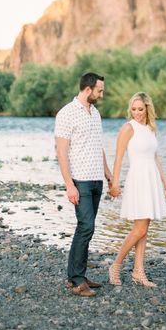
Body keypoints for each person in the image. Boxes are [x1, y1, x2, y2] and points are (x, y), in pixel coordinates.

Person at [54, 72, 113, 297]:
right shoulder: (66, 114)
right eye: (100, 90)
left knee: (87, 228)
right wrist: (69, 185)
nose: (102, 94)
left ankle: (77, 275)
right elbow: (61, 152)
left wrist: (108, 175)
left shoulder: (95, 113)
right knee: (86, 225)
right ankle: (77, 280)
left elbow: (98, 147)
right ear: (88, 89)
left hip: (96, 178)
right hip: (79, 180)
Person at [108, 92, 166, 287]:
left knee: (145, 229)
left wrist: (165, 182)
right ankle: (116, 265)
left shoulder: (151, 128)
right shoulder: (128, 128)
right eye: (134, 109)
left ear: (147, 109)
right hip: (138, 179)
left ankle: (138, 271)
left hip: (151, 179)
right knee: (139, 228)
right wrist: (115, 184)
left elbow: (155, 156)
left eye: (140, 109)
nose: (136, 113)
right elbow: (118, 157)